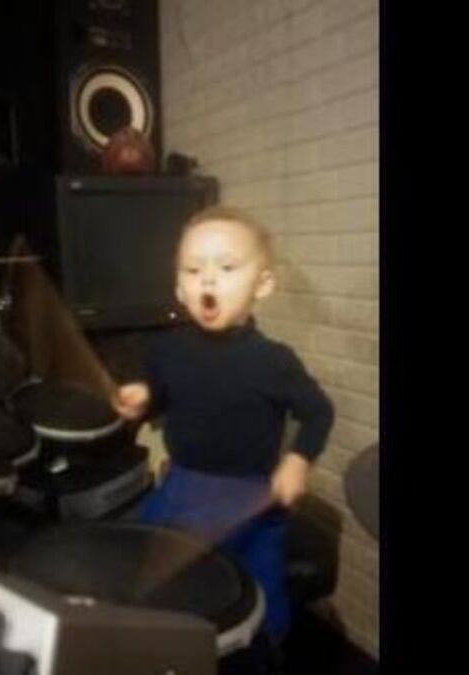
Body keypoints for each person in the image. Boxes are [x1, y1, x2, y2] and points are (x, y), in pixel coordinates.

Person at [112, 205, 335, 643]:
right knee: (162, 591)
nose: (208, 281)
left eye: (227, 268)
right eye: (193, 270)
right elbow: (162, 398)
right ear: (179, 288)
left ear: (263, 285)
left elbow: (318, 412)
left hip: (252, 497)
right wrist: (143, 399)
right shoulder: (165, 350)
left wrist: (297, 461)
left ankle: (264, 655)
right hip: (181, 489)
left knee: (263, 608)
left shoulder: (274, 361)